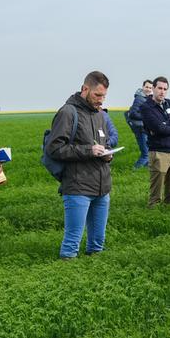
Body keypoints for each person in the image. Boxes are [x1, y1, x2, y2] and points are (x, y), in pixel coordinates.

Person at [45, 71, 113, 259]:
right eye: (97, 95)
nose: (101, 100)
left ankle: (95, 275)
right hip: (77, 187)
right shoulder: (68, 112)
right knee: (71, 244)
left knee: (97, 244)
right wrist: (88, 150)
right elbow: (54, 148)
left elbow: (104, 143)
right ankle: (67, 273)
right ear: (85, 89)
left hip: (102, 187)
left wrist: (107, 155)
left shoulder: (100, 115)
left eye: (104, 96)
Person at [141, 76, 170, 207]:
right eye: (159, 88)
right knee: (157, 187)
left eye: (165, 89)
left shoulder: (168, 102)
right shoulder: (146, 107)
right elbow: (158, 128)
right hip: (158, 152)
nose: (162, 91)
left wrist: (167, 123)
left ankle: (169, 207)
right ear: (153, 89)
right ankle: (153, 209)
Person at [126, 80, 153, 168]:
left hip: (144, 128)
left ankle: (144, 170)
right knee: (146, 154)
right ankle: (134, 171)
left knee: (148, 152)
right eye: (146, 87)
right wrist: (146, 117)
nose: (148, 89)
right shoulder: (139, 98)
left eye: (150, 88)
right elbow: (133, 113)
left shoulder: (146, 98)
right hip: (140, 129)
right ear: (143, 87)